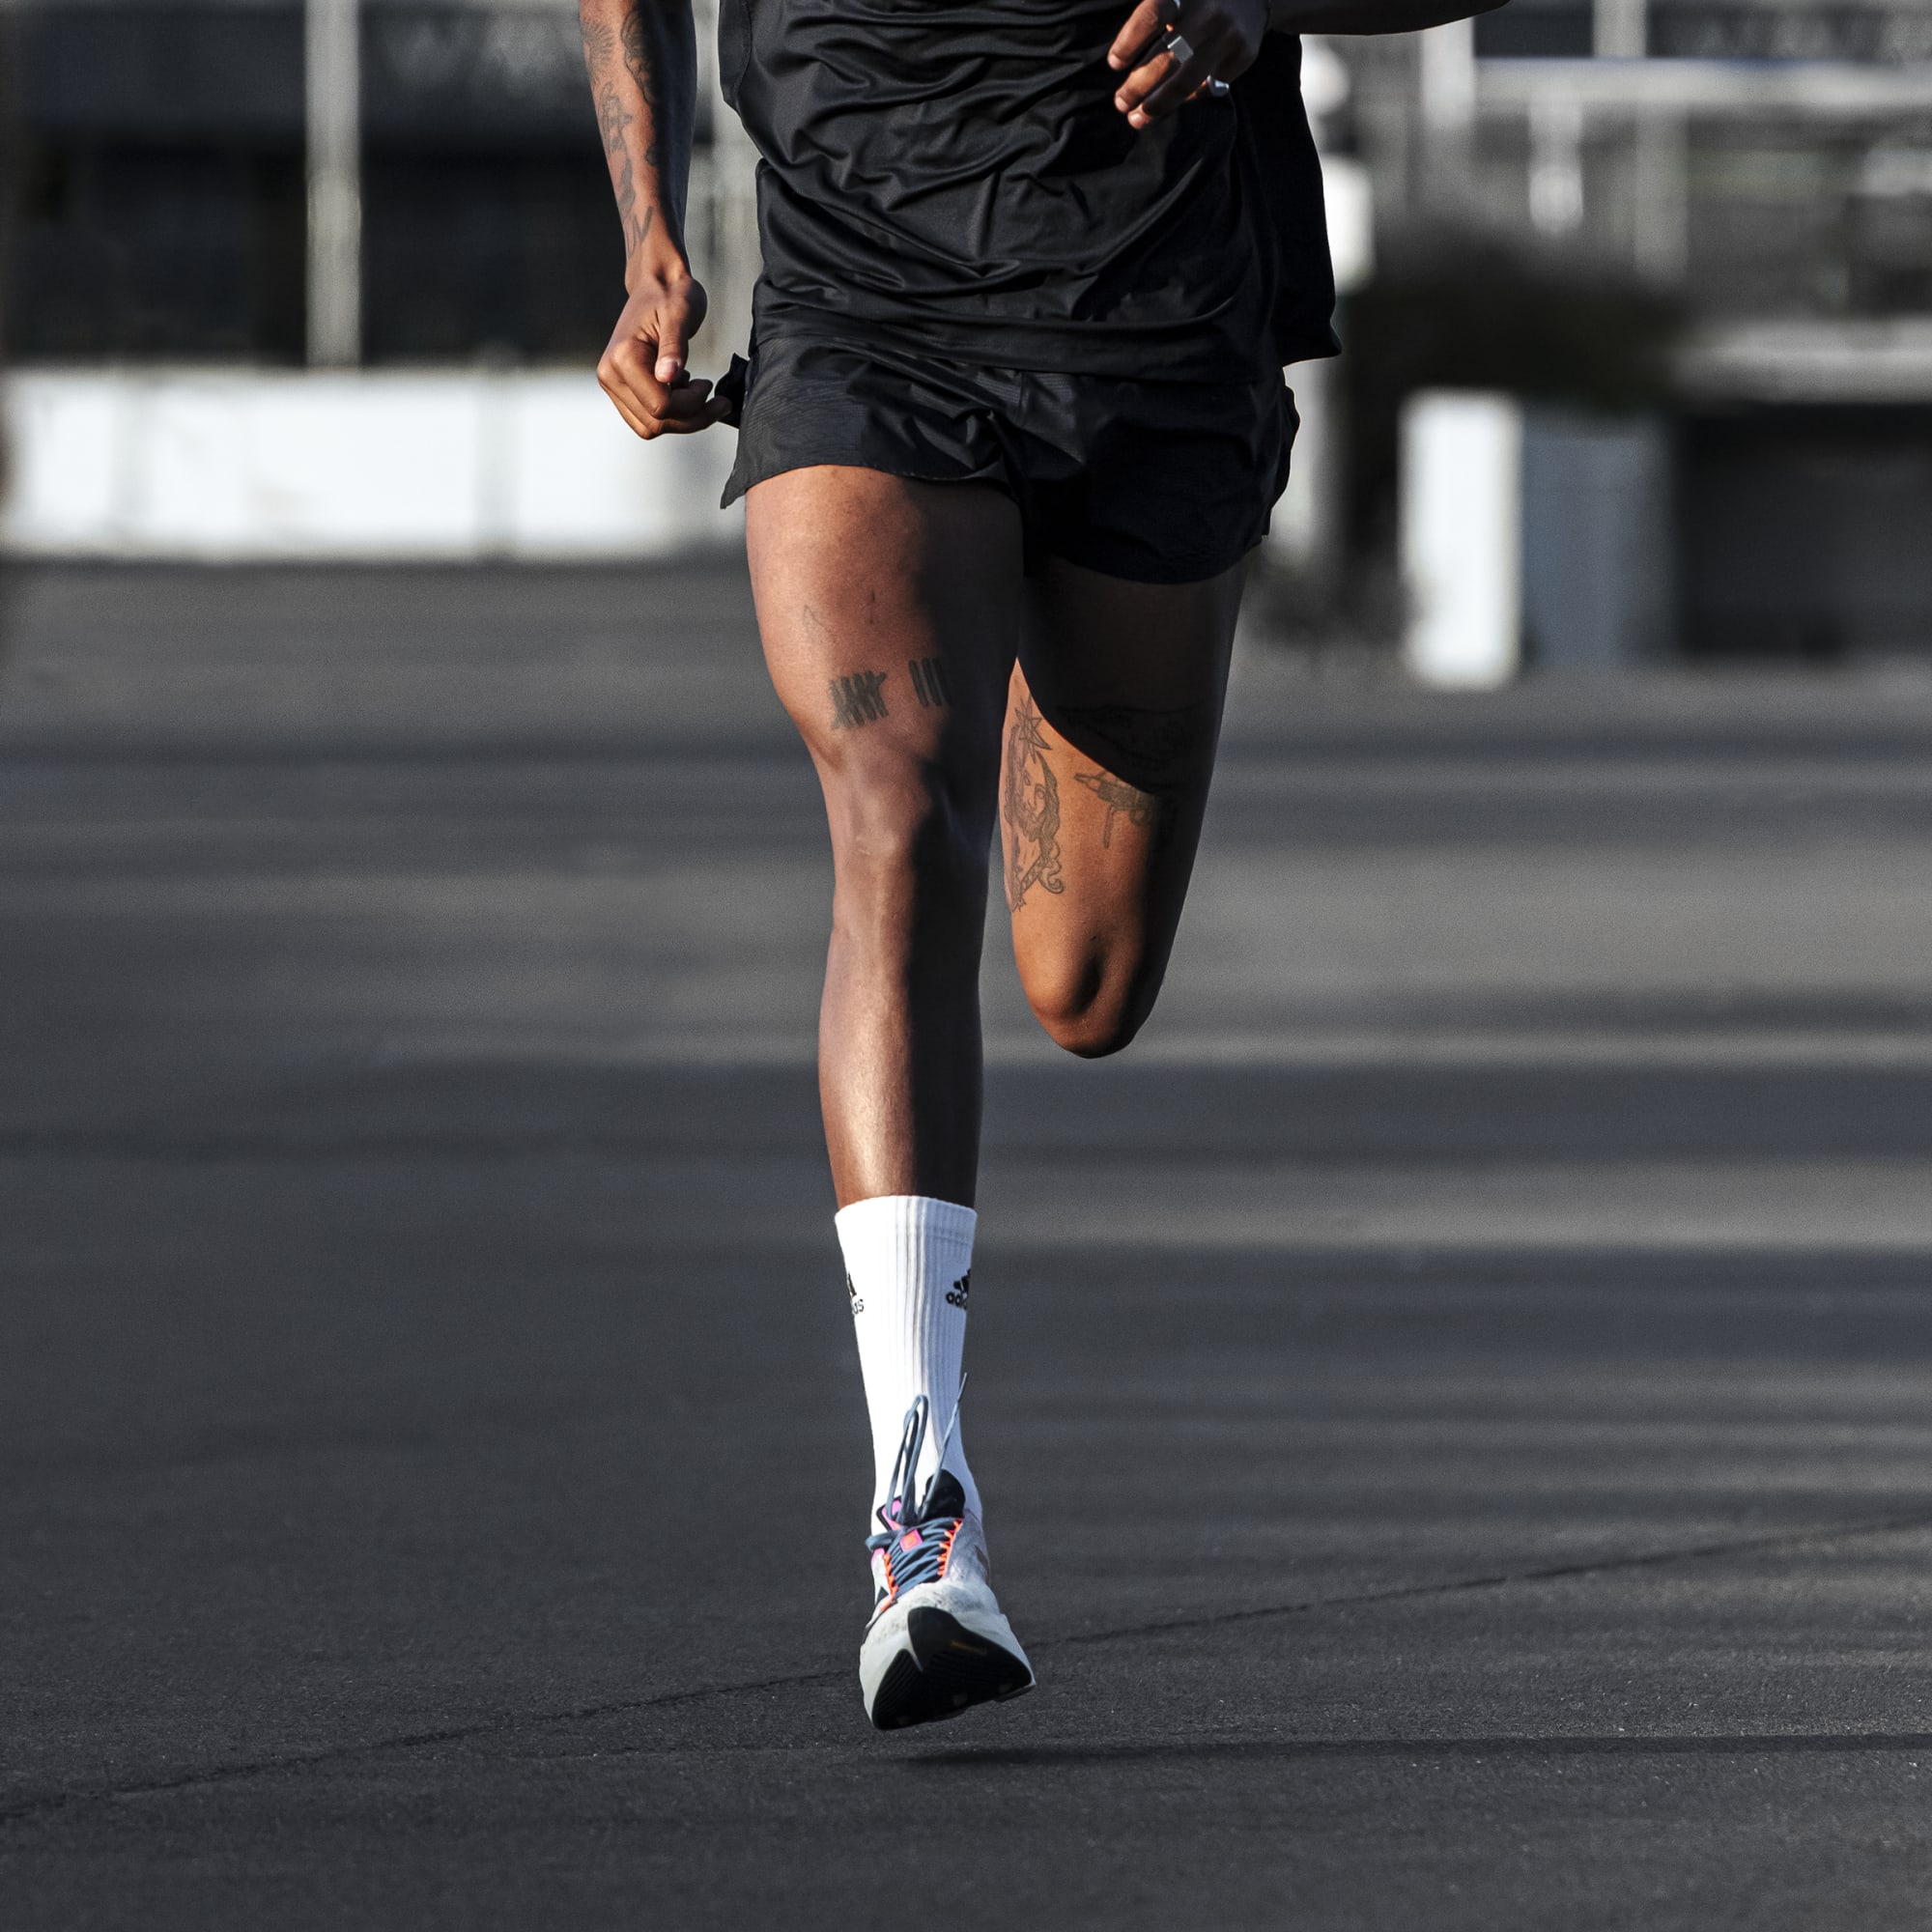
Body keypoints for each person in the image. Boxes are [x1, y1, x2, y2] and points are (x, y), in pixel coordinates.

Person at [579, 0, 1495, 1731]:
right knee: (893, 808)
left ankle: (994, 628)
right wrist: (645, 232)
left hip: (1156, 322)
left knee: (1085, 983)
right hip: (865, 306)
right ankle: (919, 1512)